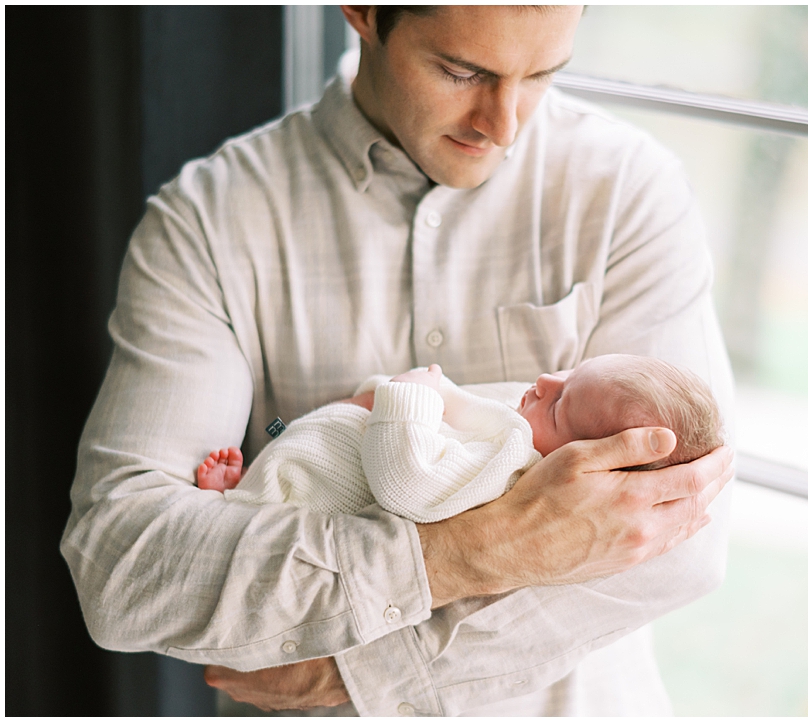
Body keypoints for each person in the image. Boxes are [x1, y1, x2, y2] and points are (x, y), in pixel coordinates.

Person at [61, 5, 737, 715]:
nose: (502, 126)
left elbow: (681, 533)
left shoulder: (629, 190)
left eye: (540, 74)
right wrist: (472, 552)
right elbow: (123, 567)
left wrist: (364, 671)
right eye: (462, 71)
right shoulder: (209, 221)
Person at [196, 355, 725, 526]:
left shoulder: (513, 474)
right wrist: (432, 389)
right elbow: (466, 409)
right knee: (287, 450)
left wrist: (410, 399)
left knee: (277, 511)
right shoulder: (523, 434)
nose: (544, 383)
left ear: (582, 463)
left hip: (307, 494)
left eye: (560, 404)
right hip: (308, 446)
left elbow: (410, 484)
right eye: (567, 373)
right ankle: (248, 486)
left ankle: (240, 500)